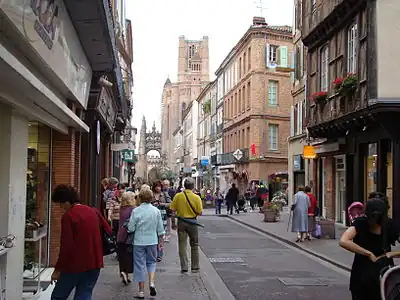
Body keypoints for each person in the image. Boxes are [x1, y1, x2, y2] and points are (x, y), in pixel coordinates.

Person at [50, 185, 111, 300]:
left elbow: (66, 246)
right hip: (94, 262)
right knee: (84, 295)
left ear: (66, 201)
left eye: (60, 204)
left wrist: (58, 269)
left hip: (75, 265)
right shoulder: (93, 211)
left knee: (58, 296)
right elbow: (108, 230)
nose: (61, 207)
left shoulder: (69, 216)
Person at [339, 198, 400, 300]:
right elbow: (343, 241)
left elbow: (344, 241)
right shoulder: (387, 224)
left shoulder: (361, 223)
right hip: (376, 271)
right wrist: (370, 253)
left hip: (372, 272)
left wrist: (390, 254)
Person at [127, 188, 165, 299]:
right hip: (152, 241)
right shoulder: (156, 211)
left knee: (139, 265)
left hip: (138, 241)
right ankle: (152, 283)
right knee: (151, 262)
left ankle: (141, 291)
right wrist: (161, 242)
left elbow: (130, 228)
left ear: (140, 198)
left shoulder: (136, 211)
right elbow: (160, 229)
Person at [169, 178, 203, 273]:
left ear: (184, 186)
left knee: (182, 245)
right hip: (192, 222)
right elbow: (200, 212)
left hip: (181, 222)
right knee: (194, 244)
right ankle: (195, 267)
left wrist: (173, 222)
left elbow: (172, 210)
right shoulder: (196, 197)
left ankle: (184, 267)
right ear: (193, 187)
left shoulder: (178, 196)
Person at [116, 191, 135, 285]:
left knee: (122, 255)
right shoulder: (132, 209)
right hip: (128, 236)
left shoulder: (121, 208)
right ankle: (127, 273)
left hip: (120, 235)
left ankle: (123, 272)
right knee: (128, 256)